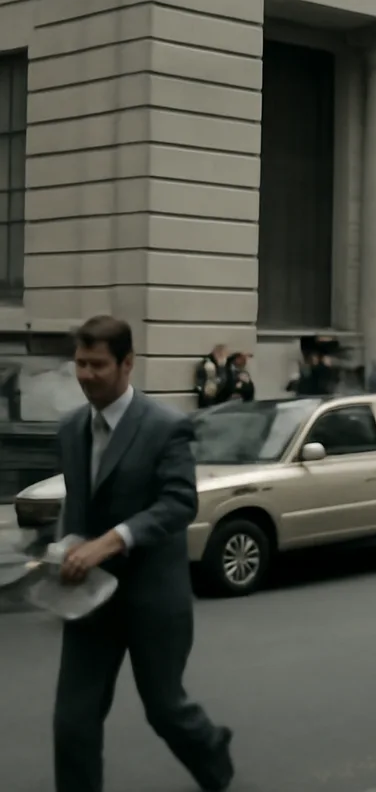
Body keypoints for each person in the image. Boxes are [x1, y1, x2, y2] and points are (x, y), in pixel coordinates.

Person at [53, 315, 234, 792]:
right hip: (89, 600)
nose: (87, 375)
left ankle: (213, 754)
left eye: (98, 365)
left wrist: (108, 543)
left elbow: (179, 503)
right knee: (73, 721)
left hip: (153, 598)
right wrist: (63, 549)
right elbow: (77, 503)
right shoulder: (71, 428)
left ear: (128, 363)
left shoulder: (166, 427)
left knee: (165, 709)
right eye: (80, 364)